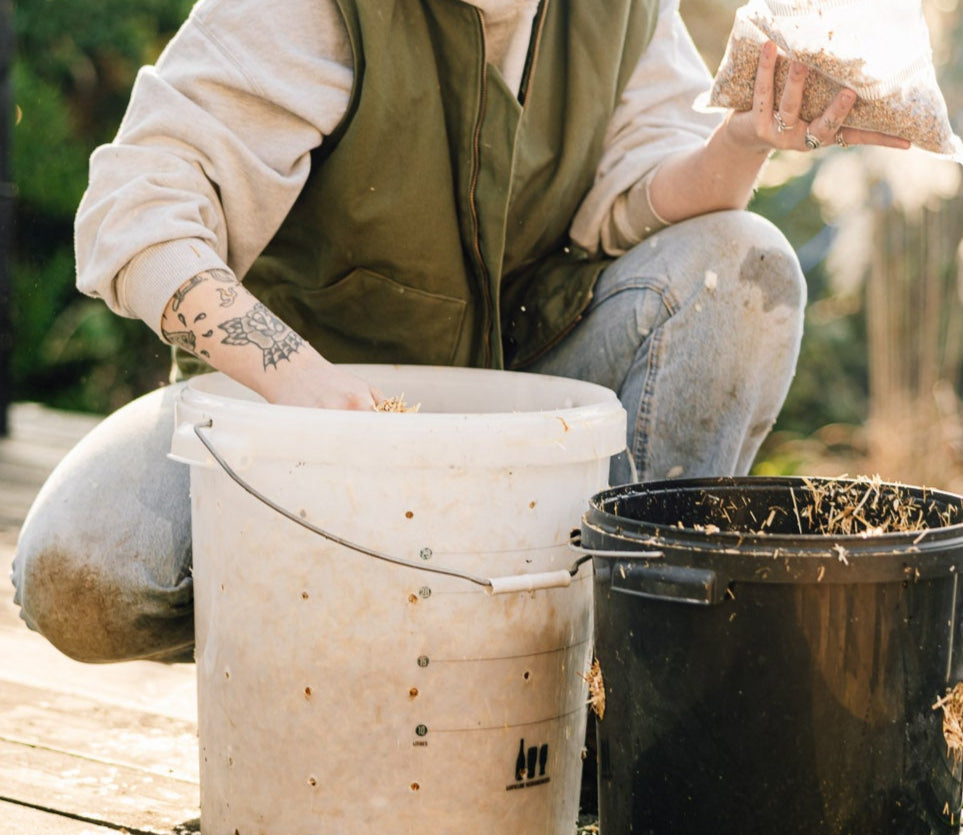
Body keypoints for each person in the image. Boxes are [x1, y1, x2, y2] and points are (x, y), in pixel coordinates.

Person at [11, 0, 909, 664]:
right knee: (80, 569)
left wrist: (741, 141)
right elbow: (135, 207)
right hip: (293, 420)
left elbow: (631, 201)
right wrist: (300, 382)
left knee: (740, 260)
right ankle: (320, 651)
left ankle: (611, 686)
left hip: (521, 407)